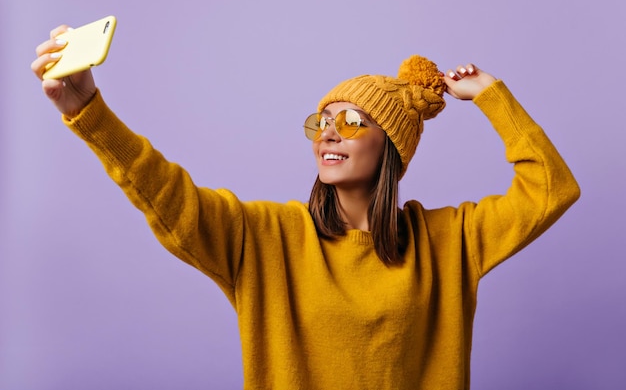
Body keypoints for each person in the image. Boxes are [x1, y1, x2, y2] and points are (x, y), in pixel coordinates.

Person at [31, 24, 580, 390]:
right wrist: (88, 110)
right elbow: (167, 196)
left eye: (352, 121)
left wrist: (491, 96)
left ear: (390, 147)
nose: (329, 134)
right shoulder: (266, 237)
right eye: (322, 121)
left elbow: (551, 188)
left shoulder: (450, 240)